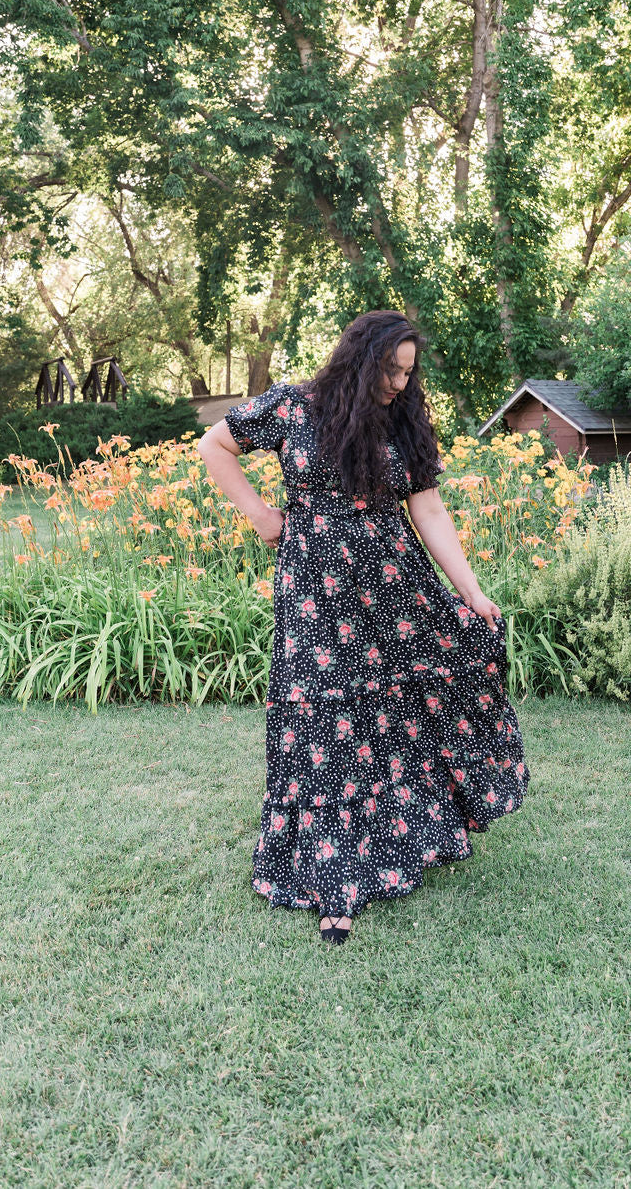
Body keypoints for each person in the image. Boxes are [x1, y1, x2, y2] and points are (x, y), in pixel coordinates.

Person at [197, 309, 529, 945]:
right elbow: (215, 445)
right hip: (315, 591)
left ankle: (411, 832)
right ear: (359, 357)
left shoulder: (402, 419)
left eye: (409, 372)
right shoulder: (293, 407)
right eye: (391, 369)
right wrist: (262, 515)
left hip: (393, 586)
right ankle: (331, 879)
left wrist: (473, 592)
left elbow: (428, 507)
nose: (400, 383)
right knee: (323, 719)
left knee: (397, 708)